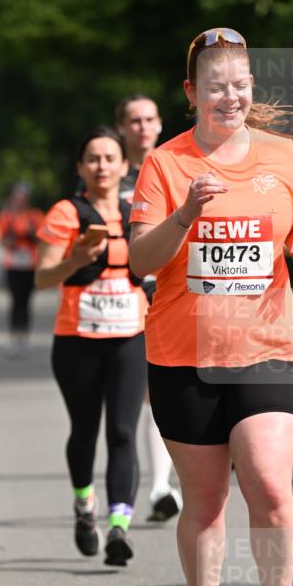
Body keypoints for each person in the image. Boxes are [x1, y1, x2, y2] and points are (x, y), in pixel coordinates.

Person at [129, 27, 293, 586]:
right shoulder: (165, 164)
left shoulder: (282, 156)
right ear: (191, 92)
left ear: (251, 90)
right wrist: (183, 214)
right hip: (183, 356)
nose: (229, 96)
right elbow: (138, 258)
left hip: (264, 347)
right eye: (216, 86)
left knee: (269, 486)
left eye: (239, 85)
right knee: (206, 502)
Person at [36, 127, 148, 566]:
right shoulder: (66, 212)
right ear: (81, 167)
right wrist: (75, 261)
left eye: (110, 158)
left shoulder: (137, 211)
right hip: (77, 341)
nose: (102, 166)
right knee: (84, 433)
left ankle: (119, 527)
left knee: (122, 432)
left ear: (124, 166)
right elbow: (43, 278)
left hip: (129, 337)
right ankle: (85, 507)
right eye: (93, 158)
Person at [115, 94, 183, 522]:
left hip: (182, 290)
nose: (142, 127)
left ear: (159, 124)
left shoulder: (177, 167)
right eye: (133, 120)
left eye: (149, 119)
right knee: (151, 393)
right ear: (122, 128)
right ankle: (160, 485)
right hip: (133, 293)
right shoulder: (108, 174)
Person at [0, 183, 44, 357]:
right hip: (13, 263)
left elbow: (42, 239)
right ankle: (13, 337)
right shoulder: (7, 217)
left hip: (30, 264)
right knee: (15, 302)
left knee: (26, 302)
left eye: (23, 197)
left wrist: (32, 238)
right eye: (17, 196)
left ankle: (24, 337)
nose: (19, 200)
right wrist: (10, 243)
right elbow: (0, 238)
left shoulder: (35, 216)